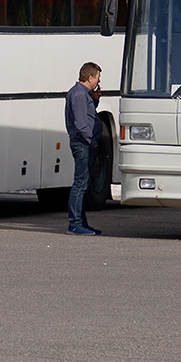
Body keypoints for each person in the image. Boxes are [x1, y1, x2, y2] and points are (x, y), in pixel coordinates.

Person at [64, 61, 103, 236]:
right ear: (90, 77)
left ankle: (82, 222)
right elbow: (81, 123)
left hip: (85, 142)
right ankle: (75, 223)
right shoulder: (79, 95)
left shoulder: (84, 94)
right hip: (83, 143)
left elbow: (87, 115)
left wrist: (95, 100)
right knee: (80, 184)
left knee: (84, 183)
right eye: (97, 77)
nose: (98, 81)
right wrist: (91, 140)